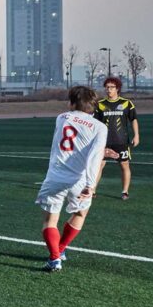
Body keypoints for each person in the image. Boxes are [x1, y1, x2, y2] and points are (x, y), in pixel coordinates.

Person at [35, 86, 107, 272]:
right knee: (80, 213)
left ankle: (54, 259)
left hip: (55, 177)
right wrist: (91, 185)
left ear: (72, 103)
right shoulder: (100, 127)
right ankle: (61, 249)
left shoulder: (62, 118)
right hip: (79, 180)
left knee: (50, 221)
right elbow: (94, 157)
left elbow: (73, 140)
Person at [93, 76, 140, 200]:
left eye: (111, 87)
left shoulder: (126, 103)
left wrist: (136, 135)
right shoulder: (100, 104)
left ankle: (125, 192)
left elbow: (133, 120)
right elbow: (94, 123)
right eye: (107, 87)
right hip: (104, 142)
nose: (108, 90)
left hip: (121, 141)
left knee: (124, 165)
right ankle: (92, 191)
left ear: (117, 88)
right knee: (99, 165)